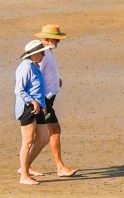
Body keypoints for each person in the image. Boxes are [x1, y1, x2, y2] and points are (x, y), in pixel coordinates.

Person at [26, 23, 77, 178]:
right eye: (56, 40)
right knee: (53, 131)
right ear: (47, 39)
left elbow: (47, 74)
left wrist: (56, 81)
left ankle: (25, 166)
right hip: (45, 101)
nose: (58, 42)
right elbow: (36, 76)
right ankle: (59, 167)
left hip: (48, 100)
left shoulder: (47, 51)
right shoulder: (42, 53)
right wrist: (41, 104)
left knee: (36, 136)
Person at [15, 40, 47, 186]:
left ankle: (25, 167)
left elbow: (38, 88)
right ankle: (24, 176)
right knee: (28, 141)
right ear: (34, 54)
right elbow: (19, 90)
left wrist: (43, 105)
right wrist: (32, 101)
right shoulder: (25, 67)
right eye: (42, 52)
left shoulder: (35, 66)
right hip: (28, 108)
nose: (44, 54)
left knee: (43, 138)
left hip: (38, 107)